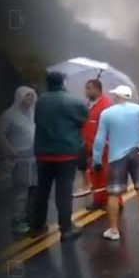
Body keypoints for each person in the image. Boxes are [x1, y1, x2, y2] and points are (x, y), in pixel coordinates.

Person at [93, 85, 139, 241]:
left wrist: (96, 159)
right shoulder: (138, 109)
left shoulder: (107, 113)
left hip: (116, 157)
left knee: (114, 194)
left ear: (117, 96)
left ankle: (114, 230)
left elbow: (100, 139)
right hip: (137, 153)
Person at [31, 72, 88, 241]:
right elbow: (83, 118)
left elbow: (37, 121)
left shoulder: (40, 100)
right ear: (63, 82)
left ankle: (37, 226)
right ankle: (66, 229)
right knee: (63, 192)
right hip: (65, 153)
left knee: (42, 190)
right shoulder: (71, 101)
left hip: (43, 153)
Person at [0, 86, 38, 234]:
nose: (30, 98)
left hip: (34, 158)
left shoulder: (33, 113)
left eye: (32, 95)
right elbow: (0, 135)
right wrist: (10, 151)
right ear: (19, 97)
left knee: (33, 190)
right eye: (27, 96)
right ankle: (17, 221)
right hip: (19, 159)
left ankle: (30, 217)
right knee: (20, 192)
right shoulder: (9, 115)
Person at [80, 79, 123, 210]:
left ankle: (115, 202)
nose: (87, 91)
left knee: (107, 175)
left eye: (90, 88)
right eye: (86, 88)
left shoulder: (106, 105)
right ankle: (99, 200)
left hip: (104, 147)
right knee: (95, 175)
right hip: (90, 146)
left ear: (98, 89)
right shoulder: (88, 105)